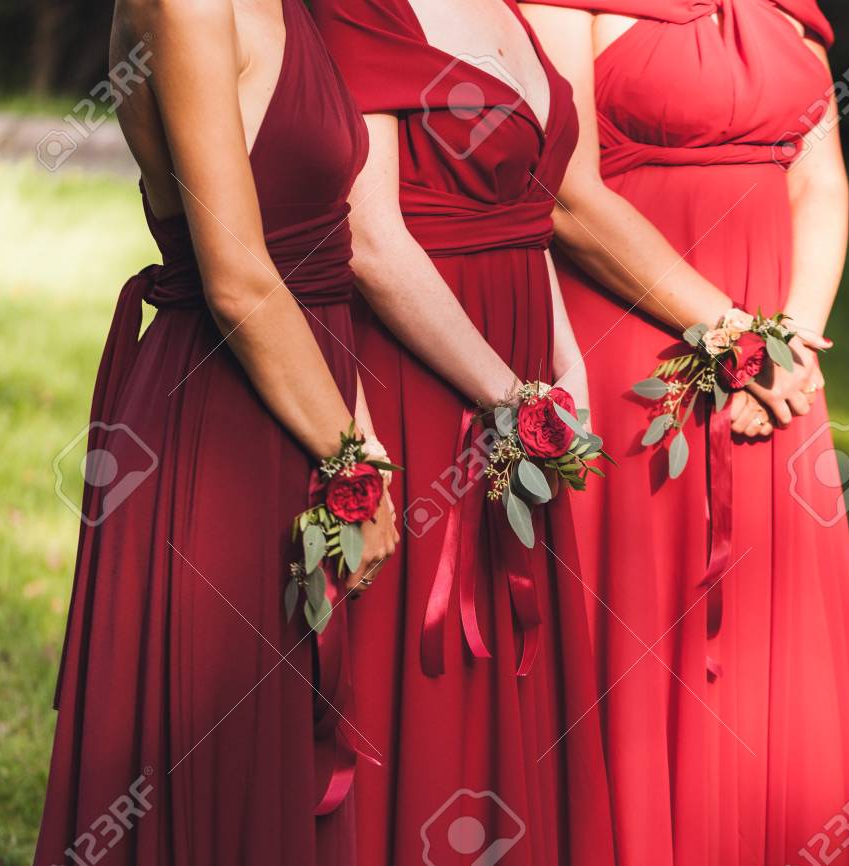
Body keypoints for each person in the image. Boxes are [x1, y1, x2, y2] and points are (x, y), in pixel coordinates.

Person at [518, 2, 849, 864]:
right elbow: (563, 194)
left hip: (780, 372)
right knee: (641, 639)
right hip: (634, 347)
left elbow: (819, 179)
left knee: (772, 651)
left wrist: (792, 339)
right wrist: (736, 333)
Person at [36, 0, 398, 864]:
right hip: (220, 423)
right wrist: (353, 462)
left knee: (278, 762)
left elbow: (331, 254)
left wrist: (364, 433)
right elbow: (236, 275)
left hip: (305, 393)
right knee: (216, 763)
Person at [311, 1, 616, 864]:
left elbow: (533, 210)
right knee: (430, 655)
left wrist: (566, 366)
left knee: (516, 659)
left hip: (522, 373)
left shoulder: (511, 7)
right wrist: (507, 395)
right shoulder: (359, 11)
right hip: (426, 367)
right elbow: (370, 240)